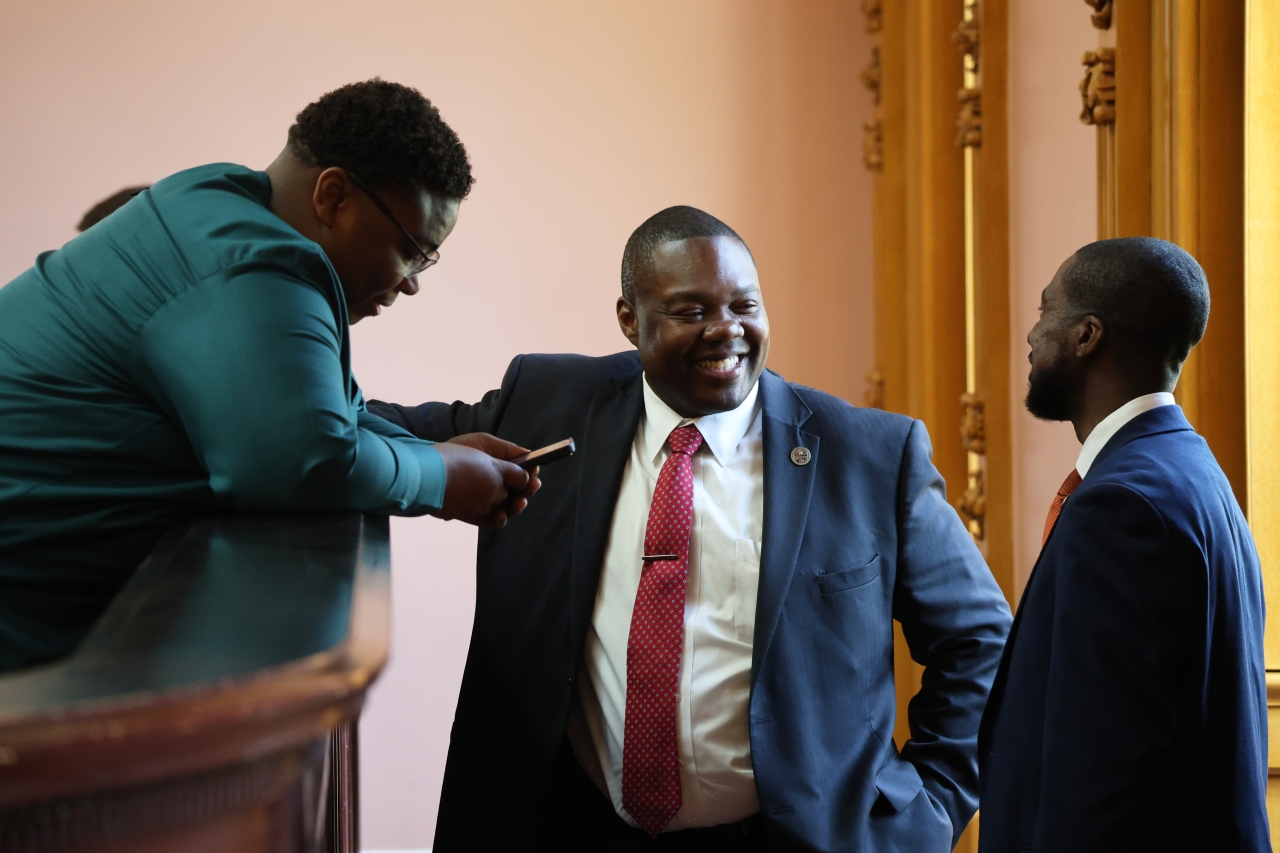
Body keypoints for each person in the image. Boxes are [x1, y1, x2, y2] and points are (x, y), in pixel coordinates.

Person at [370, 206, 1013, 851]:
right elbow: (368, 431)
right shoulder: (546, 402)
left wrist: (926, 812)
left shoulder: (869, 456)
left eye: (745, 306)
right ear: (629, 319)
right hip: (570, 823)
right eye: (691, 311)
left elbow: (981, 642)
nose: (726, 331)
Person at [0, 79, 536, 673]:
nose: (411, 281)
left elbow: (339, 413)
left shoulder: (208, 198)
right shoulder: (257, 260)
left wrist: (436, 450)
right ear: (333, 196)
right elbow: (299, 464)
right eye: (411, 249)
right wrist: (440, 478)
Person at [977, 237, 1269, 851]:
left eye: (1044, 312)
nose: (1031, 337)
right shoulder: (1190, 470)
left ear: (1087, 335)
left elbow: (1098, 767)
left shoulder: (1120, 505)